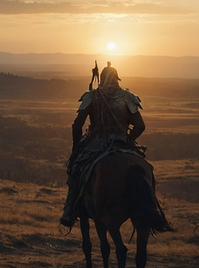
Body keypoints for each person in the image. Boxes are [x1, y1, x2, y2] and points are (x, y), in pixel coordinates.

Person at [60, 64, 147, 228]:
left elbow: (77, 125)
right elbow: (140, 126)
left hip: (96, 143)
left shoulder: (91, 96)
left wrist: (75, 146)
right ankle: (151, 207)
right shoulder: (128, 97)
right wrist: (129, 139)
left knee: (76, 170)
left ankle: (69, 210)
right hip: (122, 142)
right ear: (117, 78)